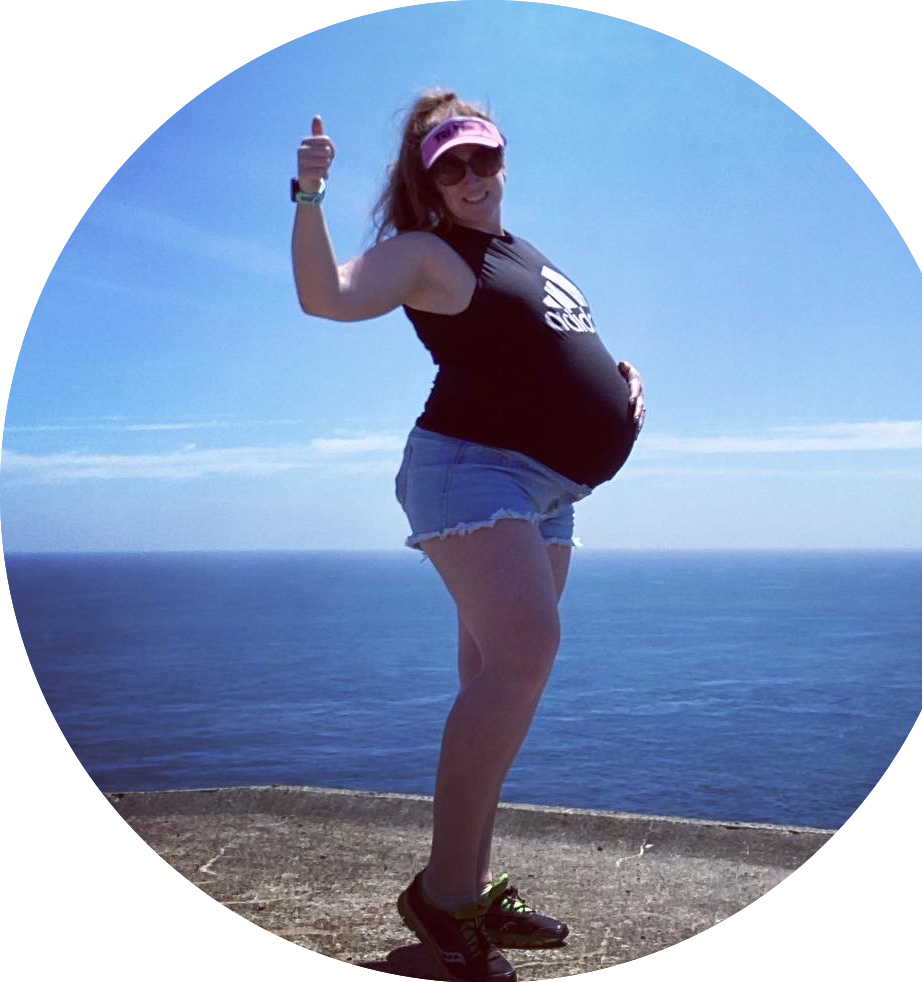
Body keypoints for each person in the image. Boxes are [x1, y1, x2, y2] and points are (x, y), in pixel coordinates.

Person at [291, 88, 646, 982]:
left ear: (503, 160)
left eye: (483, 158)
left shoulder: (523, 253)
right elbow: (325, 298)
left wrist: (619, 384)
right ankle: (443, 895)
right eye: (451, 167)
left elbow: (547, 350)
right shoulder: (429, 253)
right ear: (430, 183)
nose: (472, 176)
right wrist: (310, 195)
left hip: (550, 489)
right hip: (475, 471)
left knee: (499, 680)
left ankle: (471, 893)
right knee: (525, 656)